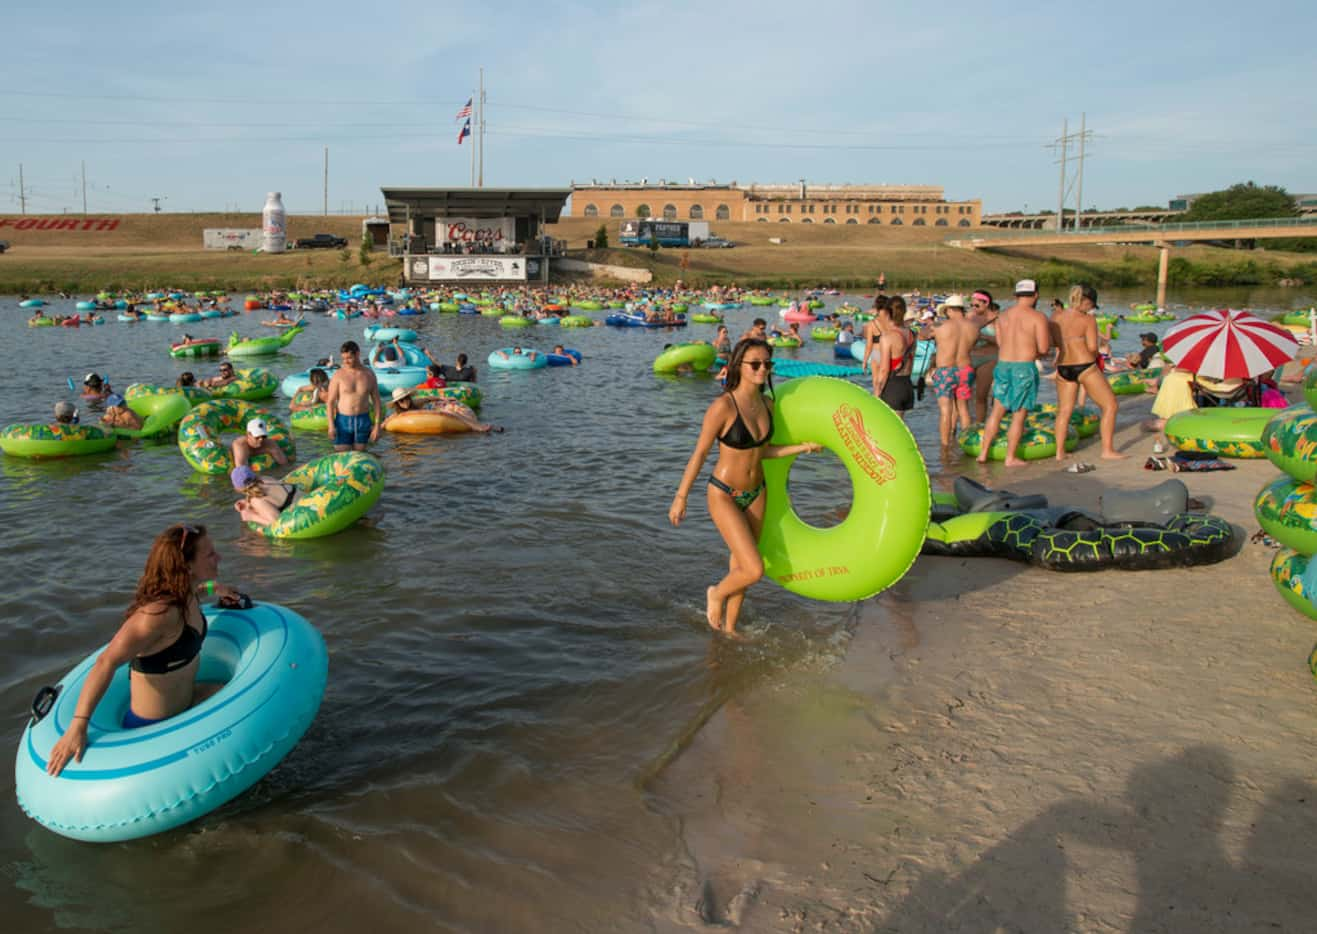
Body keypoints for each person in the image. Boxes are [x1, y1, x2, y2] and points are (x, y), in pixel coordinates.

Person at [44, 524, 242, 776]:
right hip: (151, 727)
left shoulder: (187, 594)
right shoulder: (156, 615)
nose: (219, 557)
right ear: (188, 566)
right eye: (210, 554)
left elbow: (198, 592)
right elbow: (106, 662)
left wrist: (217, 589)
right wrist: (78, 726)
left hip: (188, 700)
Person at [668, 339, 824, 637]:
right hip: (724, 493)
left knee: (741, 564)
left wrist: (802, 447)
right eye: (755, 363)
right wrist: (681, 496)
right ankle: (715, 593)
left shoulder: (767, 404)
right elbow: (699, 453)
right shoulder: (723, 406)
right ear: (739, 365)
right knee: (754, 569)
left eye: (768, 363)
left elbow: (763, 452)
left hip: (757, 491)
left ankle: (729, 628)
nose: (762, 369)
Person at [976, 280, 1051, 466]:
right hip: (1023, 366)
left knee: (996, 411)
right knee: (1019, 414)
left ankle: (983, 453)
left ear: (1015, 296)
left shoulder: (1003, 316)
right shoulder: (1038, 317)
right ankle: (1010, 457)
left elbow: (1001, 344)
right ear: (1036, 295)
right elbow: (1043, 347)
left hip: (1003, 365)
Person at [1050, 284, 1125, 462]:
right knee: (1110, 406)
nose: (1091, 308)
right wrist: (1096, 358)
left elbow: (1054, 344)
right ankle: (1107, 450)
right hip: (1084, 365)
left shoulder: (1055, 318)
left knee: (1064, 411)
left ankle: (1059, 453)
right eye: (1092, 305)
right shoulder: (1087, 320)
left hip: (1063, 367)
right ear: (1086, 301)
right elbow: (1092, 347)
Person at [924, 294, 979, 447]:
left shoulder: (940, 327)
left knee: (945, 411)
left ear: (949, 310)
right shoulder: (973, 328)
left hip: (945, 371)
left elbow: (922, 336)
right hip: (965, 370)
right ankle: (969, 444)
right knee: (963, 408)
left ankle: (945, 447)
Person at [326, 340, 382, 451]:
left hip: (363, 420)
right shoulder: (338, 375)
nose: (346, 362)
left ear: (358, 354)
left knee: (360, 455)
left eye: (349, 358)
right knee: (342, 455)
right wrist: (331, 426)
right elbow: (330, 402)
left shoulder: (369, 374)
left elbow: (377, 401)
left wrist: (377, 426)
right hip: (343, 420)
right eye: (343, 359)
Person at [870, 296, 916, 418]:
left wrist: (877, 392)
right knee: (900, 427)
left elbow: (884, 370)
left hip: (892, 387)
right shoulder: (912, 334)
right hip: (907, 385)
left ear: (887, 313)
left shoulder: (887, 338)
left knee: (887, 429)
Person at [388, 386, 501, 433]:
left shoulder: (415, 402)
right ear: (397, 403)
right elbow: (386, 423)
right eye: (401, 401)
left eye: (406, 398)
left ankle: (480, 426)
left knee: (451, 411)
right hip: (429, 416)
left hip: (433, 411)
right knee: (451, 413)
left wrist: (444, 398)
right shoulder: (397, 415)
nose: (405, 402)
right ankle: (482, 426)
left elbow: (428, 398)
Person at [968, 291, 999, 422]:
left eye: (976, 305)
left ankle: (979, 424)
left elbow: (1002, 341)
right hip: (970, 357)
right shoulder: (969, 317)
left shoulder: (997, 318)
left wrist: (982, 336)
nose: (973, 308)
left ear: (986, 303)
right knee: (963, 396)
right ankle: (963, 427)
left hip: (989, 358)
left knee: (981, 396)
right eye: (972, 305)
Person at [231, 464, 297, 527]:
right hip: (300, 496)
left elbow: (277, 523)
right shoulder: (264, 478)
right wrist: (246, 502)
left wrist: (252, 517)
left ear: (237, 489)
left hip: (297, 511)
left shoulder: (256, 500)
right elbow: (268, 496)